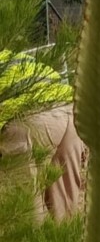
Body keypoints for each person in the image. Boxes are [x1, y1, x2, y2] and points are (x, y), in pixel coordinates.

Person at [0, 50, 84, 221]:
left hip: (28, 121)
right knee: (64, 216)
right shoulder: (10, 55)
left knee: (25, 214)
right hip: (71, 114)